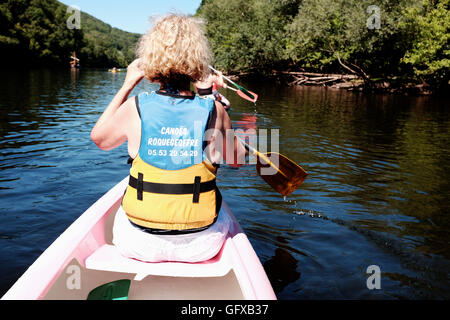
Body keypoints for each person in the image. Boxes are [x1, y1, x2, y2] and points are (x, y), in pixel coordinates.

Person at [90, 14, 246, 263]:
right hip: (201, 246)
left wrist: (127, 83)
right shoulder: (215, 112)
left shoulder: (135, 107)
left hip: (137, 244)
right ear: (198, 59)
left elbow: (100, 139)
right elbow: (238, 161)